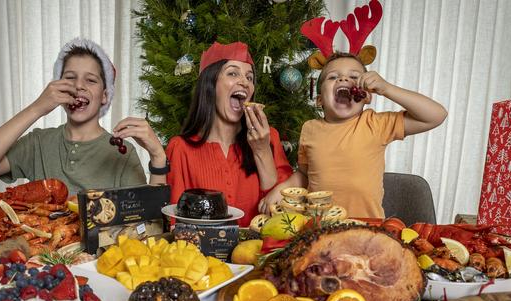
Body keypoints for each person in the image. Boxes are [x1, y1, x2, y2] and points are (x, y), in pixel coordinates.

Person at [0, 38, 167, 194]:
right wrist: (37, 107)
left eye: (91, 80)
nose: (79, 86)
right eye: (70, 78)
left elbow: (147, 222)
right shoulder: (38, 143)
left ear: (105, 95)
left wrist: (158, 157)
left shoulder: (122, 153)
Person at [261, 52, 448, 218]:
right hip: (319, 229)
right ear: (319, 100)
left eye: (354, 77)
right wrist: (281, 189)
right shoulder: (310, 129)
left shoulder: (375, 124)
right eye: (333, 77)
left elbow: (436, 115)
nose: (343, 79)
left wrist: (387, 88)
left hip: (368, 227)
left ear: (365, 96)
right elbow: (304, 174)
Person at [166, 42, 292, 227]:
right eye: (233, 73)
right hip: (200, 254)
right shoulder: (180, 148)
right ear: (210, 84)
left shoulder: (268, 138)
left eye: (249, 78)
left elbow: (282, 215)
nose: (244, 82)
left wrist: (262, 151)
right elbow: (173, 222)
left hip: (258, 252)